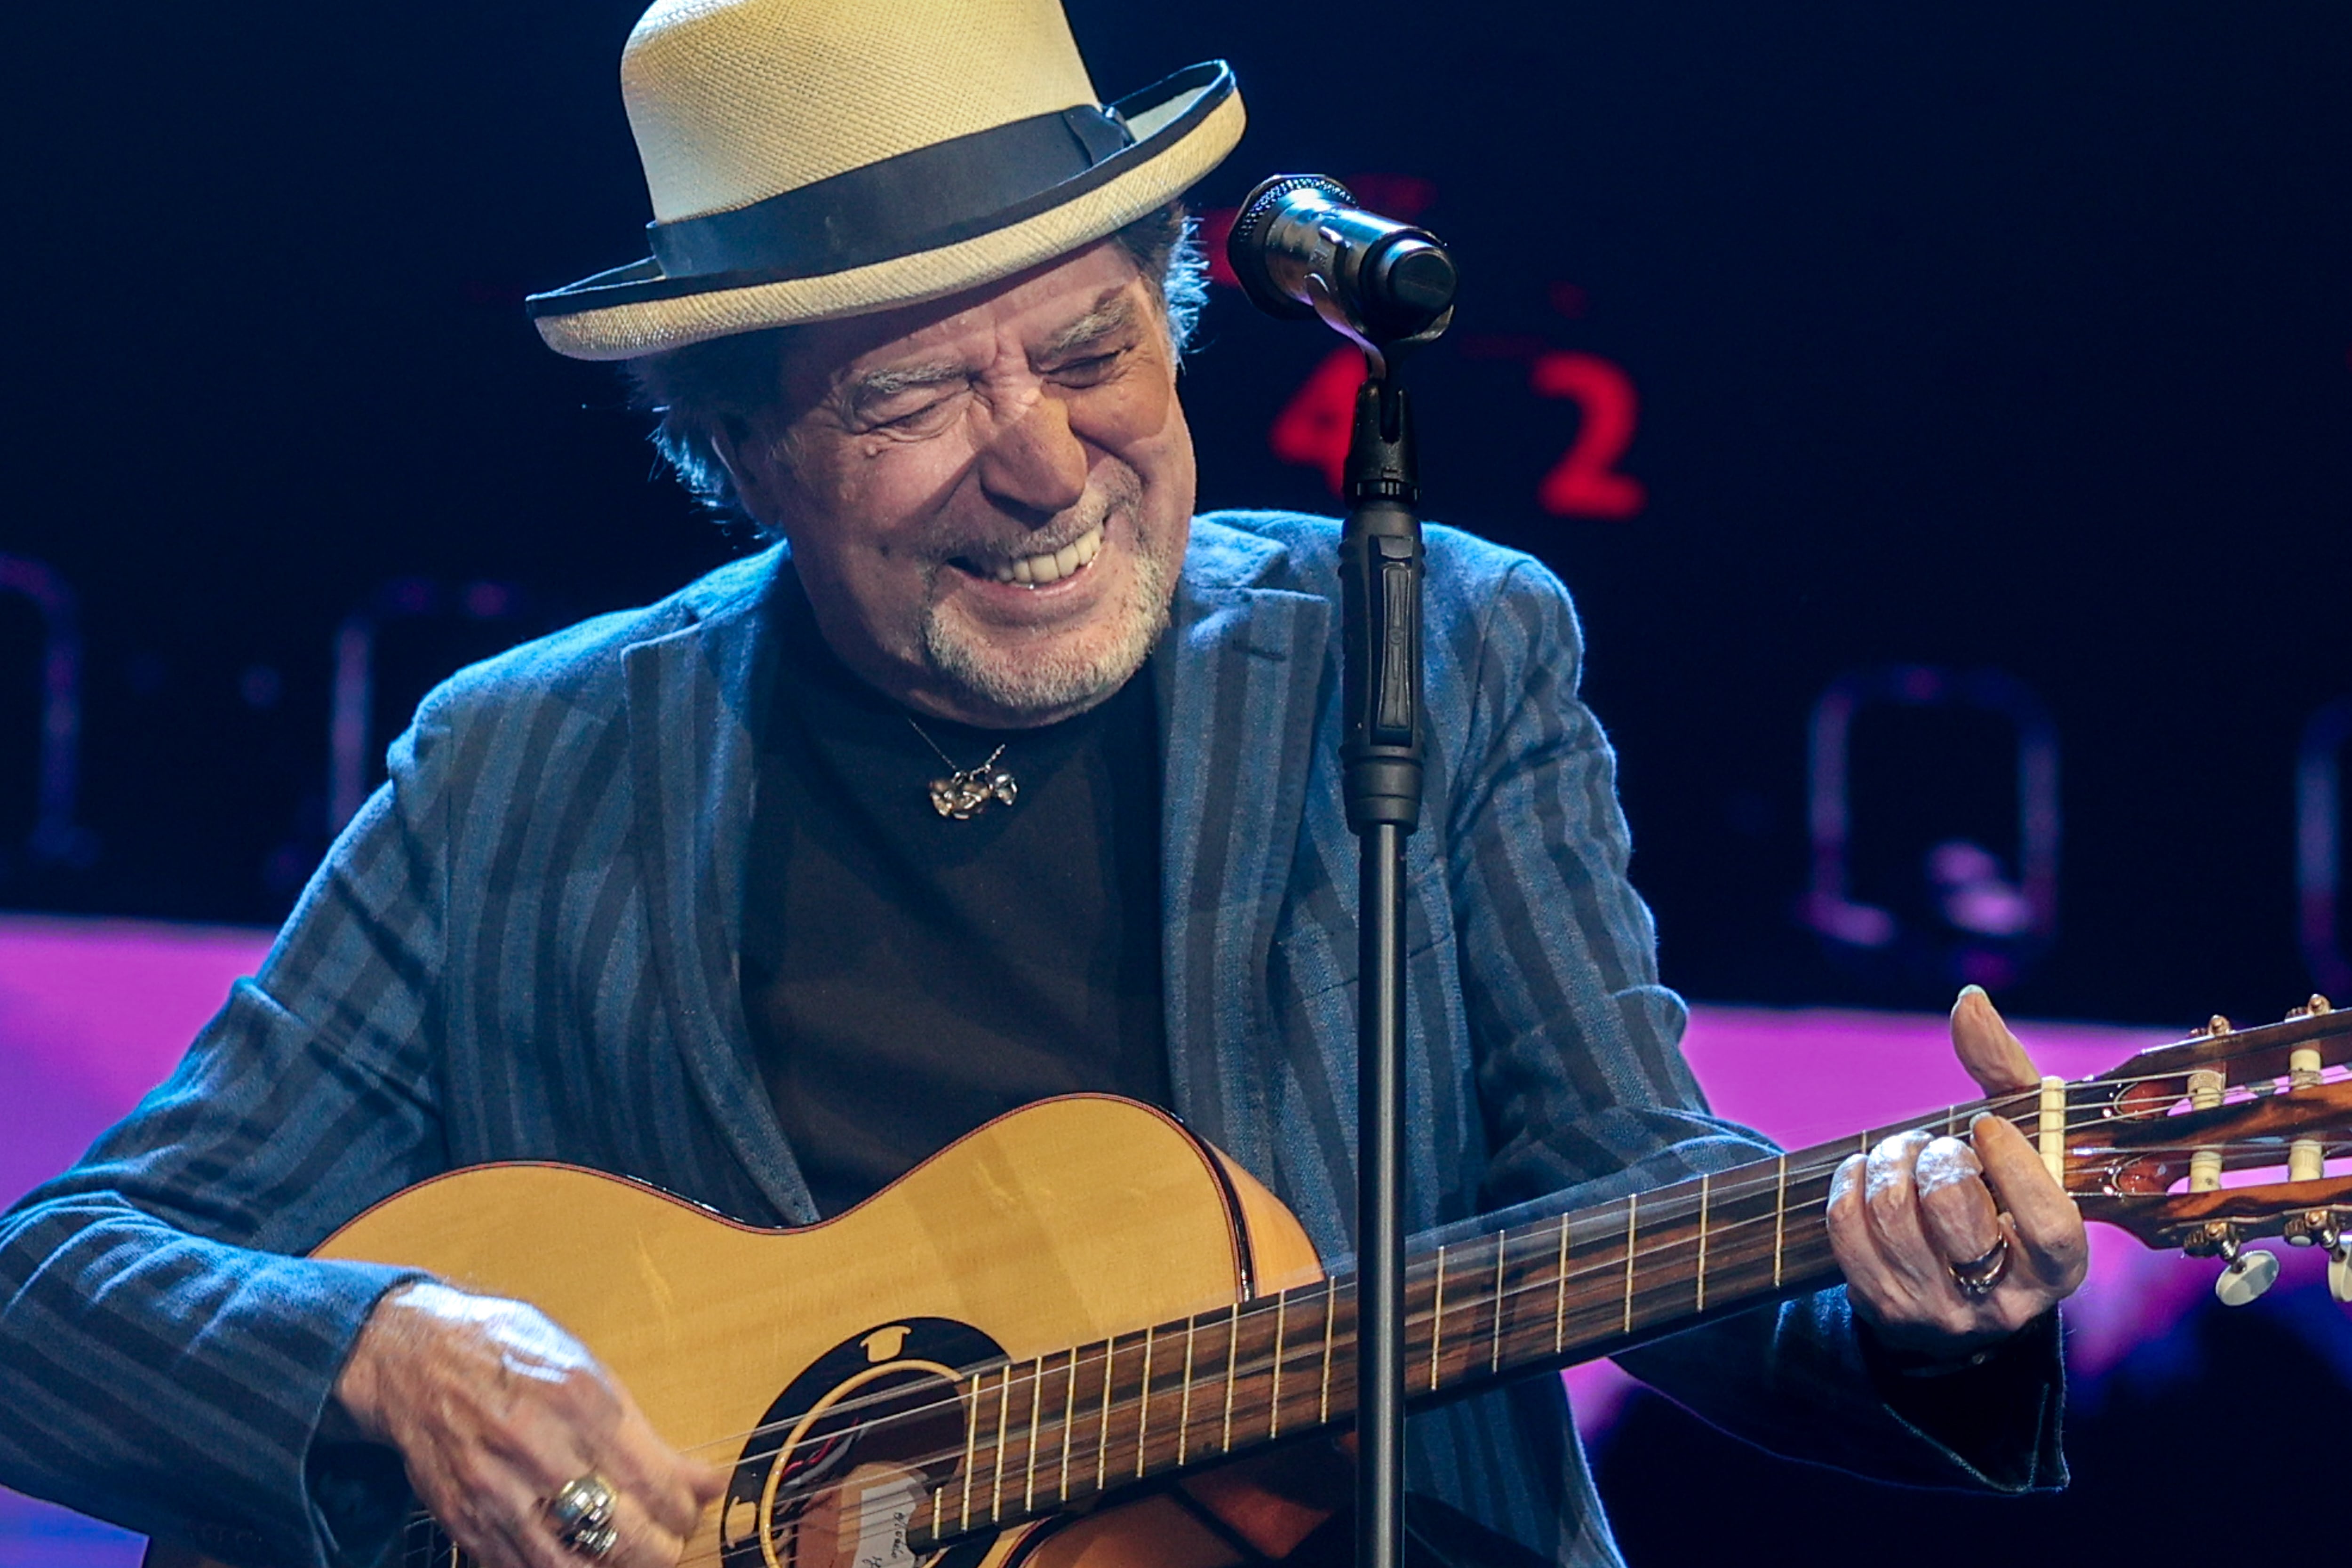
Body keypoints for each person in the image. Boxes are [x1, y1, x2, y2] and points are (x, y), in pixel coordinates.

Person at [0, 2, 2088, 1566]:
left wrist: (1917, 1294)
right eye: (916, 395)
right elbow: (50, 1291)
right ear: (731, 451)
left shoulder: (1433, 645)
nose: (1042, 461)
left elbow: (1623, 1189)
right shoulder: (523, 768)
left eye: (1096, 354)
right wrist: (394, 1354)